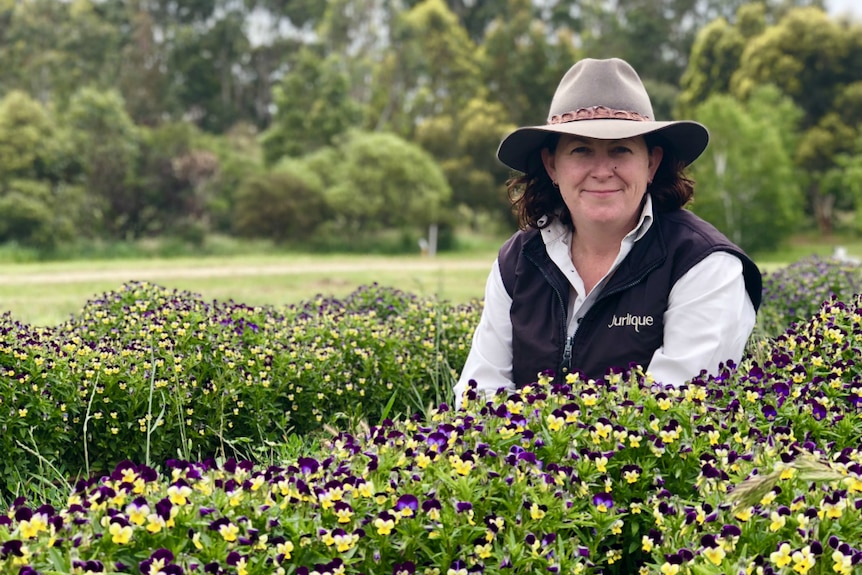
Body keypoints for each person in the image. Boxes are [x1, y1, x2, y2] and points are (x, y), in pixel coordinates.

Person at [453, 57, 762, 409]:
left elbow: (673, 409)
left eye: (621, 149)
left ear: (651, 163)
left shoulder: (704, 265)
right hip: (523, 463)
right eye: (581, 149)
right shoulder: (517, 262)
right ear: (552, 165)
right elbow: (479, 397)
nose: (602, 171)